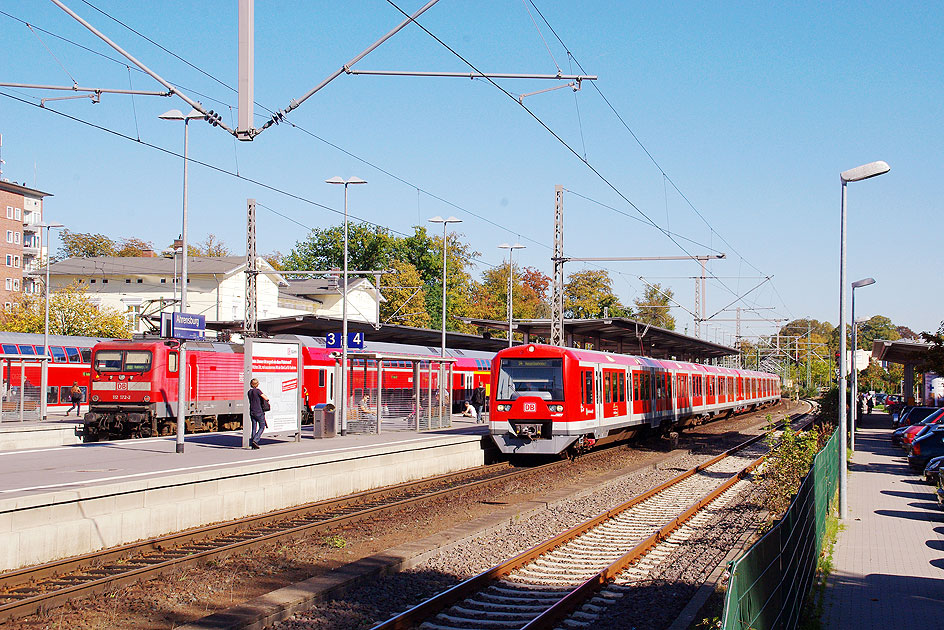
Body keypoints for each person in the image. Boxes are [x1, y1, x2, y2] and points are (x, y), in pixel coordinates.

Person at [247, 378, 269, 449]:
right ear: (257, 384)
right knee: (262, 426)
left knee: (254, 427)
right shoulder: (258, 391)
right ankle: (255, 440)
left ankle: (253, 443)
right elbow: (265, 398)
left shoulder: (249, 392)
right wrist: (267, 399)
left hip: (252, 411)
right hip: (259, 411)